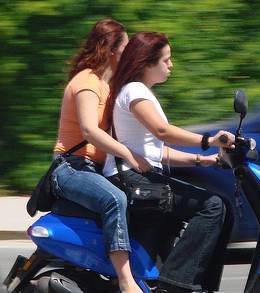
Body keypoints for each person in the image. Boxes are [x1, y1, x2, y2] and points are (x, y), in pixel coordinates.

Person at [103, 31, 235, 293]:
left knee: (221, 209)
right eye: (166, 60)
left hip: (139, 177)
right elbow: (162, 132)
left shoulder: (138, 91)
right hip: (132, 180)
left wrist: (202, 160)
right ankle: (176, 285)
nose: (171, 65)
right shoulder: (135, 91)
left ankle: (185, 281)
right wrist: (210, 140)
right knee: (213, 207)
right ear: (148, 63)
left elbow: (156, 151)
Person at [51, 19, 152, 293]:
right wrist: (129, 155)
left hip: (93, 168)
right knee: (114, 199)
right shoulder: (87, 82)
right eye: (126, 47)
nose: (129, 52)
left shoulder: (110, 87)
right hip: (70, 168)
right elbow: (90, 131)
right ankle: (126, 281)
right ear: (111, 50)